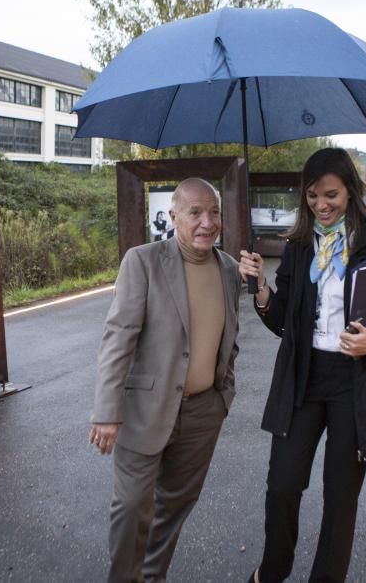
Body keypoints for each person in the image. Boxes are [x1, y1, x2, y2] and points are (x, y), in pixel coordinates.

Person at [238, 148, 366, 582]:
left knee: (340, 498)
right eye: (312, 196)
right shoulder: (300, 247)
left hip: (354, 384)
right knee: (282, 484)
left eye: (331, 195)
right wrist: (262, 289)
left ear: (351, 192)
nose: (321, 205)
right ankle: (273, 570)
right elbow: (284, 321)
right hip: (303, 379)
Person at [90, 178, 241, 583]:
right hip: (144, 411)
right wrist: (107, 411)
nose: (207, 222)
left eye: (214, 212)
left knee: (175, 506)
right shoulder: (142, 261)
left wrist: (222, 396)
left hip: (201, 414)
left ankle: (151, 576)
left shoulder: (229, 270)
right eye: (195, 212)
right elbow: (118, 338)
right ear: (173, 217)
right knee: (132, 506)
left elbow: (231, 340)